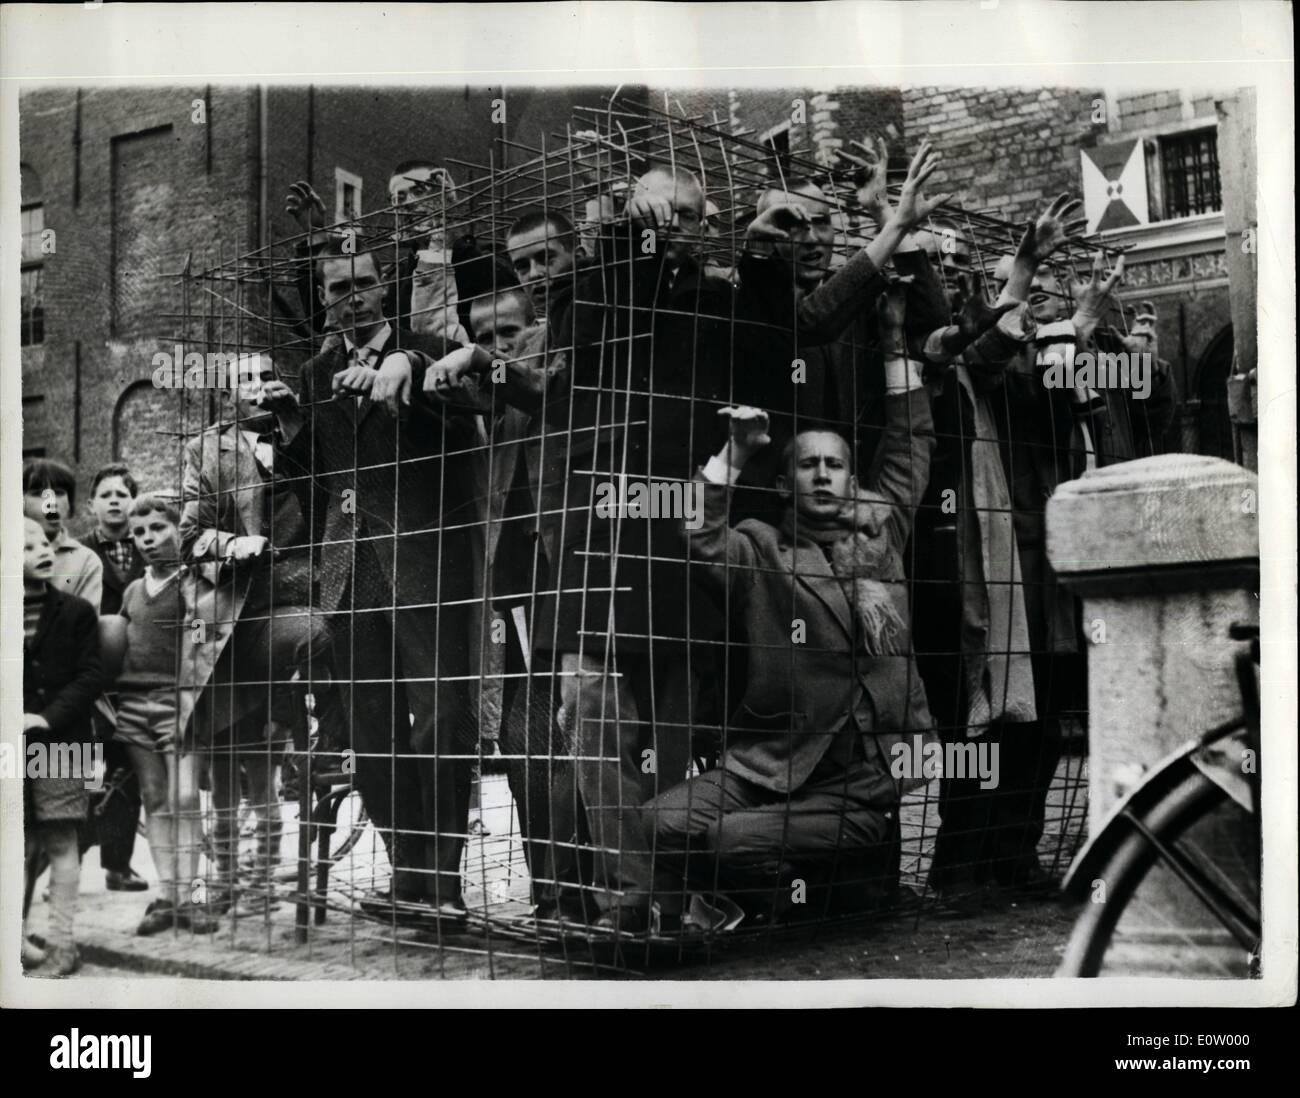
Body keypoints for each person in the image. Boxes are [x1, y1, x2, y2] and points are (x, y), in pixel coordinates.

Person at [645, 279, 938, 921]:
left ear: (853, 478)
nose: (824, 474)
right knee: (658, 822)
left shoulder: (881, 526)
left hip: (864, 779)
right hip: (775, 762)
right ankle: (781, 896)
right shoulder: (763, 547)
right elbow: (698, 534)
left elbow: (912, 442)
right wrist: (735, 452)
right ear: (785, 483)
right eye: (809, 465)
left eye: (836, 465)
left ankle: (802, 904)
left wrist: (892, 339)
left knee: (729, 841)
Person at [281, 240, 484, 924]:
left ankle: (445, 880)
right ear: (323, 298)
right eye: (339, 287)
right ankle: (409, 875)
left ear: (384, 285)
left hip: (425, 559)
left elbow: (466, 429)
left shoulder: (425, 346)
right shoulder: (316, 371)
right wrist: (286, 421)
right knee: (371, 735)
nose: (355, 296)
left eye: (365, 282)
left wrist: (409, 378)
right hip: (350, 567)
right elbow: (313, 480)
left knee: (442, 718)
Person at [179, 352, 338, 911]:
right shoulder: (206, 450)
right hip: (239, 613)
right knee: (229, 760)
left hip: (308, 597)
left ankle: (323, 731)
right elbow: (189, 537)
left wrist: (296, 421)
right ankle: (226, 882)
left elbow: (337, 498)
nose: (257, 388)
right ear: (225, 396)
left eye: (266, 377)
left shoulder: (308, 436)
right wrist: (233, 545)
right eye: (243, 381)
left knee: (269, 752)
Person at [114, 496, 231, 936]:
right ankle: (168, 896)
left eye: (157, 528)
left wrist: (196, 627)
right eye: (139, 532)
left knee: (185, 799)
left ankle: (194, 897)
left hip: (179, 703)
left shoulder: (192, 586)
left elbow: (203, 639)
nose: (147, 538)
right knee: (155, 800)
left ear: (177, 530)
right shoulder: (131, 591)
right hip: (133, 706)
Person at [22, 516, 107, 976]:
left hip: (64, 738)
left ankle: (61, 945)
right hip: (10, 745)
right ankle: (13, 942)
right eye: (24, 546)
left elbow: (91, 676)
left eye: (43, 540)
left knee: (60, 838)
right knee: (16, 846)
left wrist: (47, 717)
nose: (42, 548)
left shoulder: (76, 612)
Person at [83, 462, 148, 893]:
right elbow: (67, 605)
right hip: (92, 680)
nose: (113, 502)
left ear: (133, 503)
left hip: (139, 677)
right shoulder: (77, 555)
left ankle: (118, 866)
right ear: (92, 505)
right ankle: (68, 858)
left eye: (121, 495)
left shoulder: (151, 549)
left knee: (128, 770)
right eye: (105, 494)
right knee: (87, 771)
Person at [23, 457, 103, 611]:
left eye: (59, 493)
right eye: (38, 493)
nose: (51, 502)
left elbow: (82, 624)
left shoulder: (85, 561)